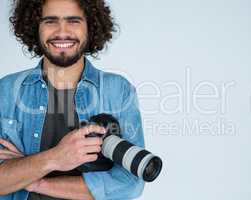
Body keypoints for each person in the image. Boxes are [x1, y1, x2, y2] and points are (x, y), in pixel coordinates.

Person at [0, 0, 145, 199]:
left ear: (90, 27)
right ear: (35, 27)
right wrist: (54, 158)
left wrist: (33, 180)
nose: (62, 31)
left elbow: (130, 183)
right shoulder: (6, 90)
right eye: (50, 21)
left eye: (73, 21)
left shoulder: (117, 90)